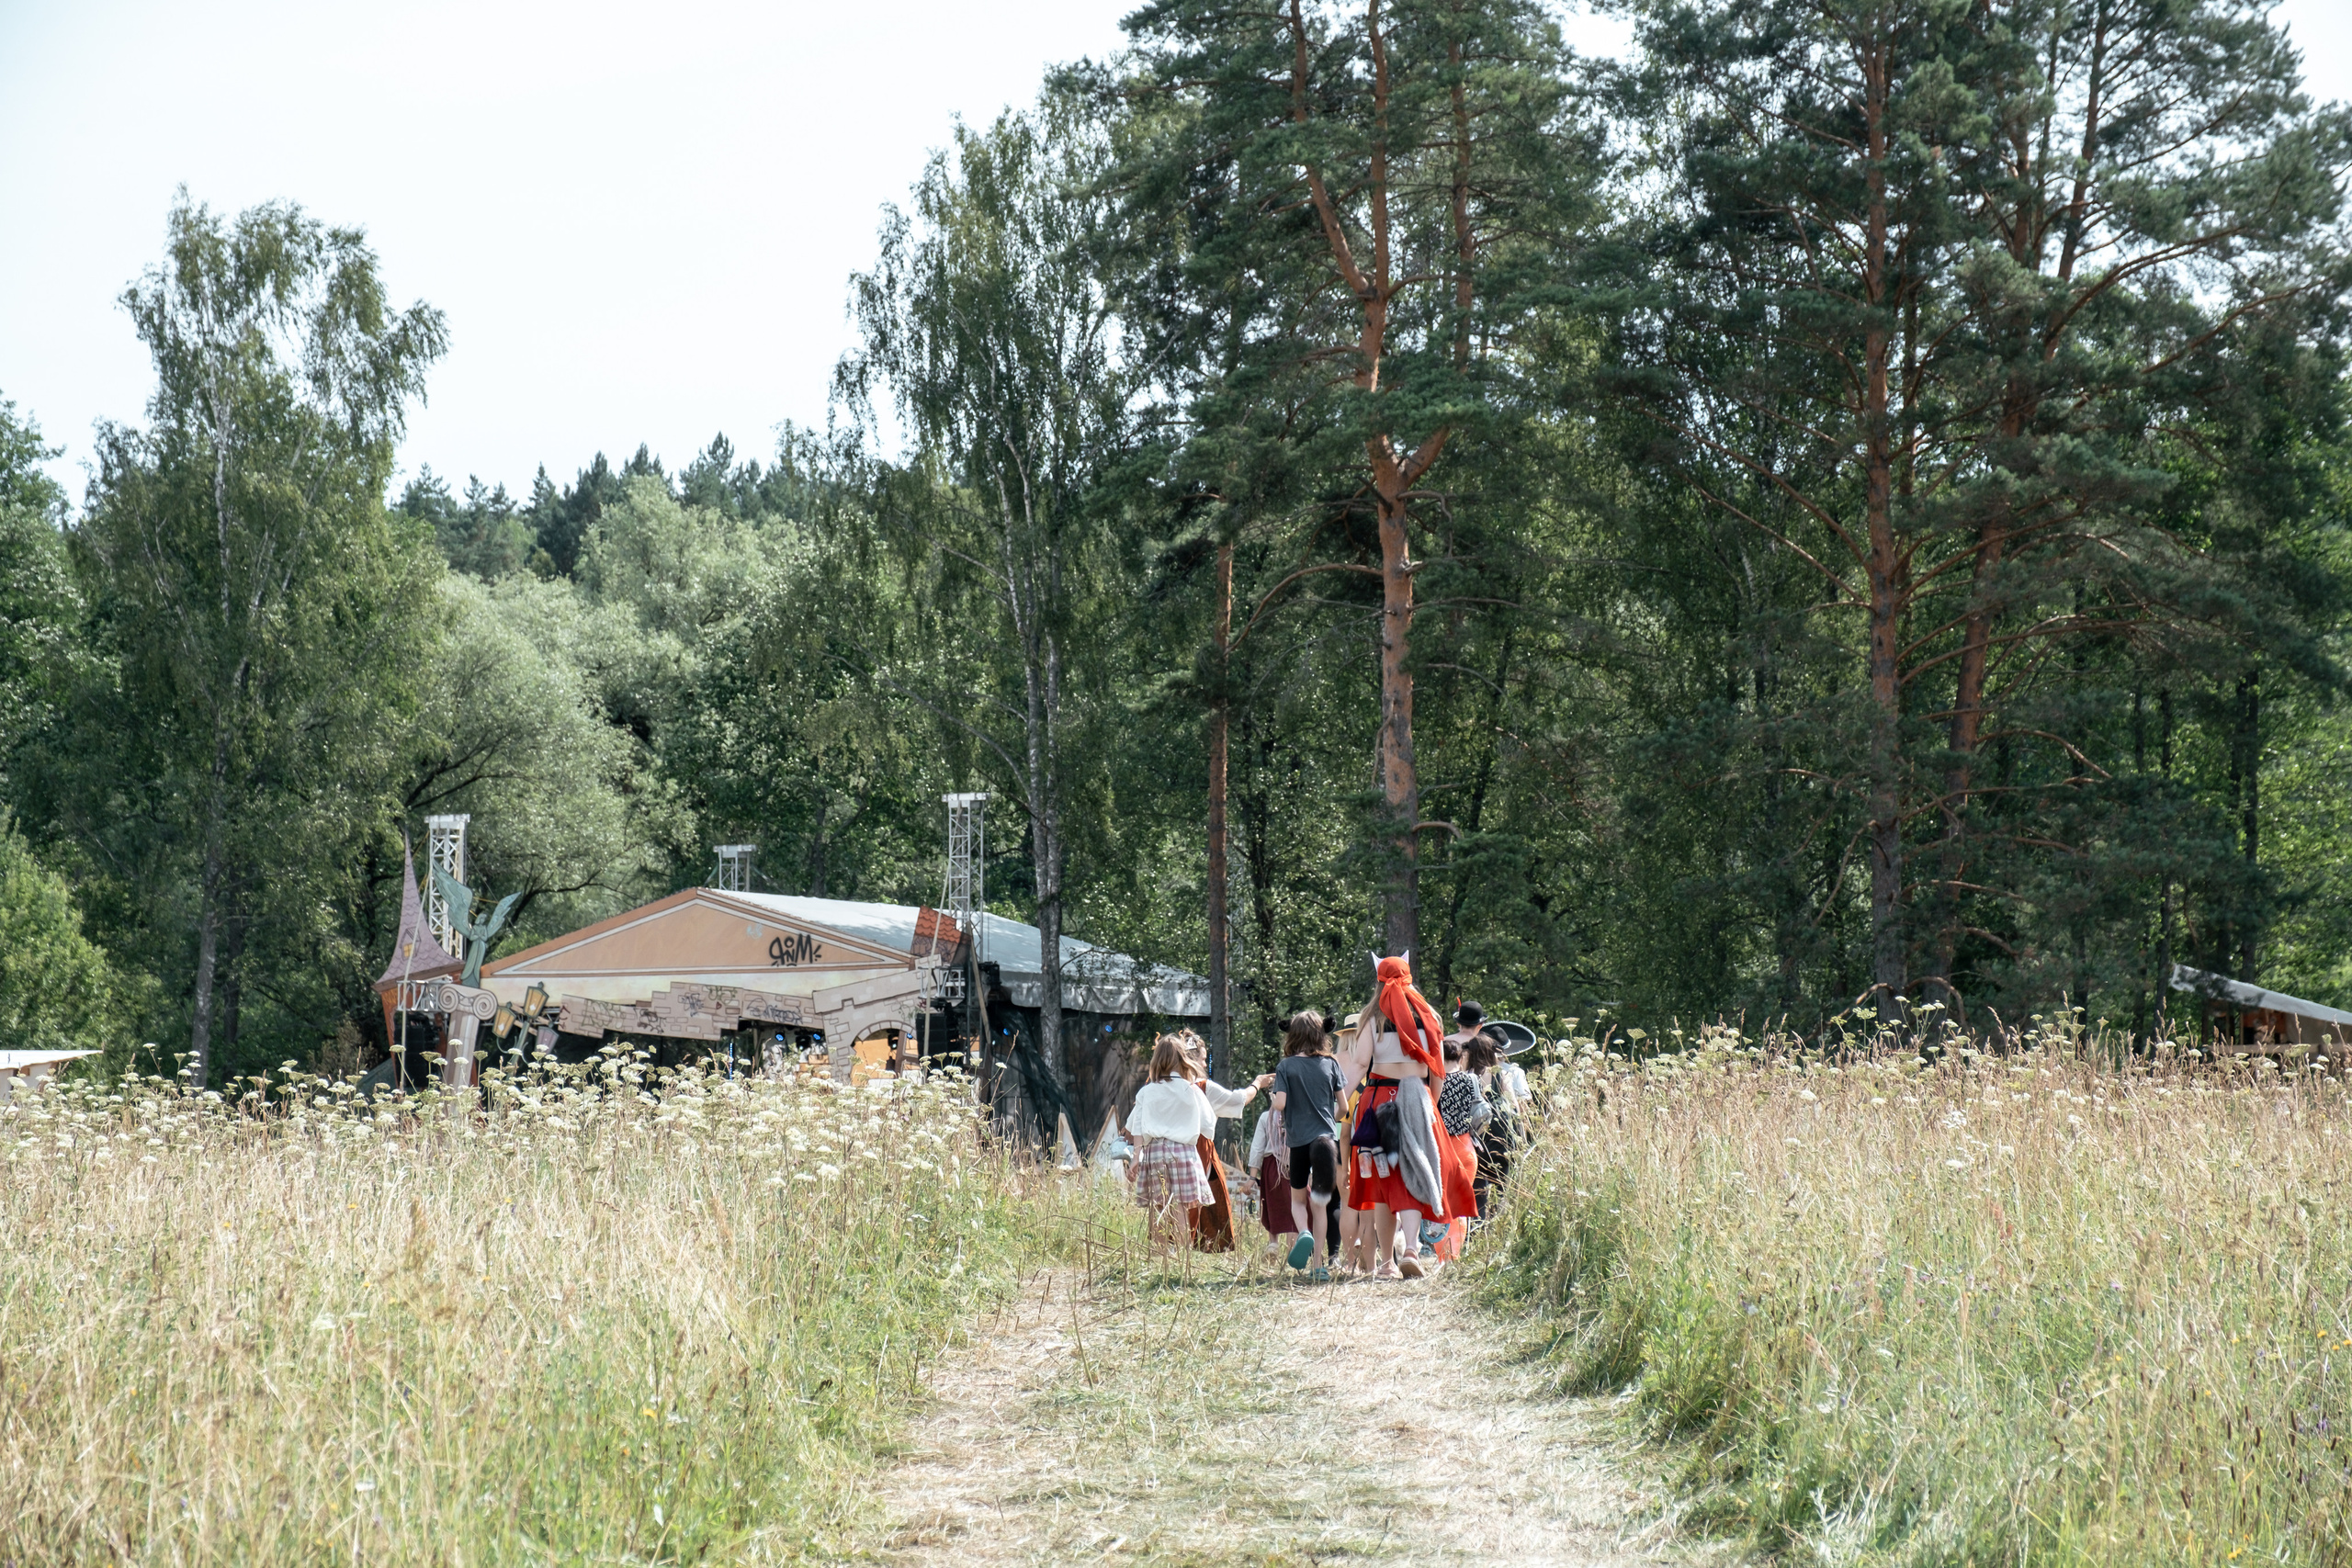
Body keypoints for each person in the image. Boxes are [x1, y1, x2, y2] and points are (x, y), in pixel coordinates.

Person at [1336, 956, 1450, 1280]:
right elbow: (1437, 1070)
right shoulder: (1430, 1016)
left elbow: (1359, 1064)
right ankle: (1411, 1248)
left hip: (1378, 1097)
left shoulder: (1372, 1016)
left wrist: (1340, 1104)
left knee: (1382, 1183)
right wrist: (1430, 1104)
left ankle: (1386, 1263)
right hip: (1417, 1095)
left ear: (1379, 979)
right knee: (1414, 1172)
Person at [1174, 1031, 1270, 1253]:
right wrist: (1258, 1083)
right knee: (1204, 1203)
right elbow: (1239, 1099)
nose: (1204, 1063)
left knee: (1178, 1202)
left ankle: (1181, 1251)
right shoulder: (1202, 1087)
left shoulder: (1166, 1085)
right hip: (1199, 1149)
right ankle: (1205, 1248)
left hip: (1172, 1150)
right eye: (1202, 1058)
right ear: (1191, 1059)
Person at [1272, 1010, 1347, 1280]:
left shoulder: (1286, 1066)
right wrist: (1328, 1123)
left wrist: (1273, 1099)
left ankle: (1303, 1231)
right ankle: (1319, 1266)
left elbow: (1280, 1103)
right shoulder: (1331, 1064)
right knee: (1321, 1203)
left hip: (1299, 1144)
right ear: (1321, 1035)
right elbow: (1344, 1107)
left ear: (1292, 1036)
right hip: (1327, 1140)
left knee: (1298, 1201)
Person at [1125, 1033, 1216, 1256]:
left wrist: (1136, 1158)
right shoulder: (1191, 1090)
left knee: (1158, 1209)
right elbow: (1209, 1125)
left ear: (1157, 1061)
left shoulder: (1146, 1091)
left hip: (1155, 1152)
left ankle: (1159, 1256)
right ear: (1183, 1059)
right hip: (1184, 1153)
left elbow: (1136, 1126)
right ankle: (1182, 1259)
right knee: (1182, 1209)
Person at [1433, 1033, 1491, 1256]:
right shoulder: (1472, 1080)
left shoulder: (1434, 1082)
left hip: (1440, 1148)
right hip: (1466, 1147)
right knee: (1461, 1206)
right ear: (1461, 1056)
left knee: (1441, 1202)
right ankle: (1454, 1253)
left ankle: (1442, 1254)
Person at [1465, 1029, 1522, 1217]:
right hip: (1501, 1137)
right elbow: (1514, 1107)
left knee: (1478, 1185)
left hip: (1477, 1138)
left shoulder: (1466, 1076)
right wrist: (1519, 1134)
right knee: (1501, 1184)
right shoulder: (1500, 1075)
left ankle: (1477, 1225)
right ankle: (1497, 1222)